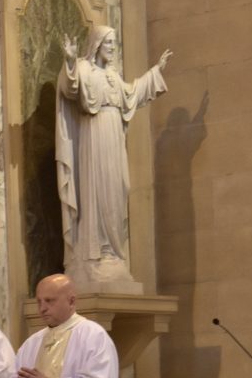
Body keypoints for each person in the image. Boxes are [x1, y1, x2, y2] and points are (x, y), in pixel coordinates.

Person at [56, 25, 172, 286]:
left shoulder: (112, 76)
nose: (112, 48)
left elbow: (132, 95)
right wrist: (71, 60)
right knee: (97, 193)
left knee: (118, 189)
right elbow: (70, 88)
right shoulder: (85, 69)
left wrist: (156, 71)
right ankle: (95, 254)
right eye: (108, 43)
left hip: (114, 140)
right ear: (97, 44)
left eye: (114, 43)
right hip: (94, 139)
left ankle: (112, 253)